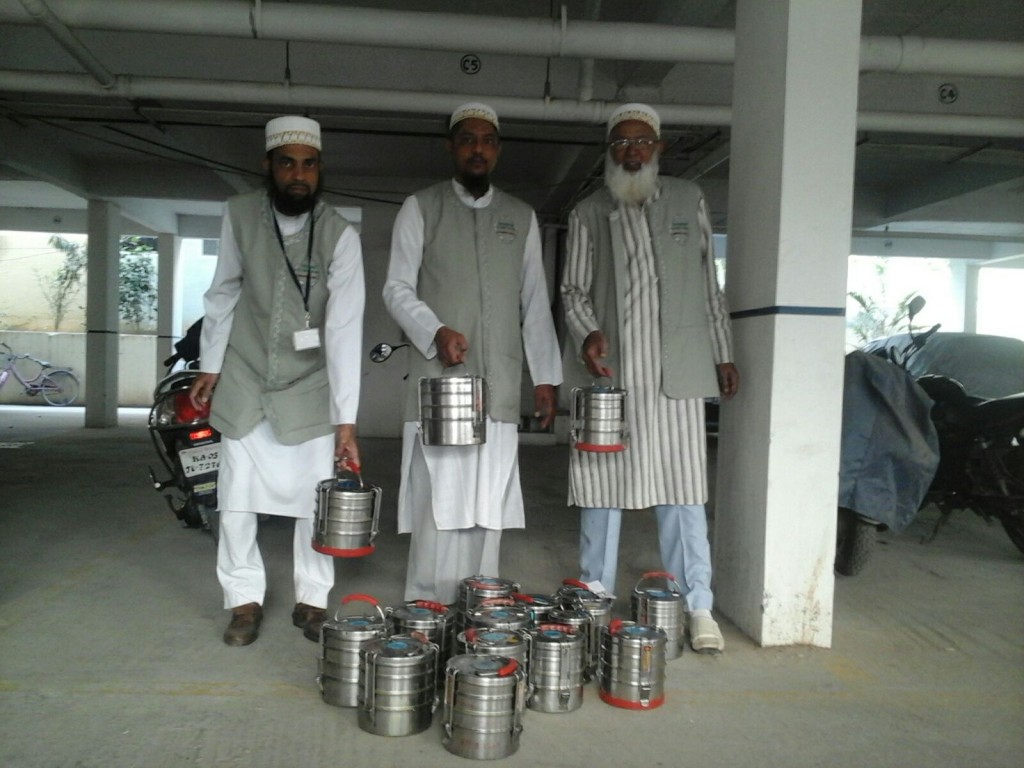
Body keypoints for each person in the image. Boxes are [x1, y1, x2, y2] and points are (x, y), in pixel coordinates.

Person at [560, 103, 739, 653]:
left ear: (658, 148)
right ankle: (594, 599)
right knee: (602, 489)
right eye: (621, 143)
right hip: (612, 375)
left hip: (677, 372)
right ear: (609, 152)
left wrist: (723, 352)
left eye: (641, 141)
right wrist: (588, 333)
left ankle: (698, 606)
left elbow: (708, 283)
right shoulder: (589, 211)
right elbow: (573, 290)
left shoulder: (688, 200)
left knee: (683, 490)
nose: (631, 151)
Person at [189, 115, 365, 646]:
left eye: (309, 165)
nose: (298, 175)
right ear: (268, 165)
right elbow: (224, 290)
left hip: (309, 387)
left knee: (315, 501)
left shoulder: (340, 234)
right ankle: (243, 601)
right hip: (245, 376)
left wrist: (346, 420)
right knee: (235, 498)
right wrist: (211, 364)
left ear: (320, 169)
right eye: (287, 163)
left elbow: (344, 329)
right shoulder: (240, 214)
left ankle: (312, 601)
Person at [382, 102, 562, 605]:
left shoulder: (521, 217)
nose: (477, 149)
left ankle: (480, 611)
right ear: (452, 148)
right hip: (440, 385)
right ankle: (427, 607)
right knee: (437, 502)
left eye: (486, 141)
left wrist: (545, 378)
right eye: (467, 140)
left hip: (498, 385)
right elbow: (396, 288)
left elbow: (534, 301)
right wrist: (435, 330)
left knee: (487, 503)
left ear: (497, 150)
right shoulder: (421, 207)